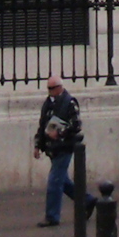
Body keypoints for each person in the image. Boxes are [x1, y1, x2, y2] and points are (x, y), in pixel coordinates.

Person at [31, 74, 82, 228]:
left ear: (60, 87)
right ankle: (87, 201)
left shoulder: (70, 102)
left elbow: (76, 126)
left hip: (65, 146)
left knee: (54, 181)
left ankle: (52, 216)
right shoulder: (48, 103)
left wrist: (59, 133)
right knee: (63, 182)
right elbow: (42, 125)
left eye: (52, 88)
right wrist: (38, 145)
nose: (50, 91)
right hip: (52, 148)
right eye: (48, 88)